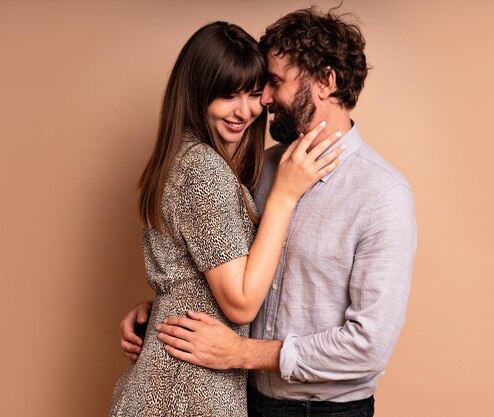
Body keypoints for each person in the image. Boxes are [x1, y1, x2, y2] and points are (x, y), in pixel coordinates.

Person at [121, 7, 417, 417]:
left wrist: (242, 353)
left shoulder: (382, 193)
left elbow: (369, 345)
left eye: (273, 83)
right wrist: (164, 311)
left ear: (326, 81)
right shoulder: (257, 170)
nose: (262, 101)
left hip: (325, 412)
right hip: (244, 399)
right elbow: (224, 271)